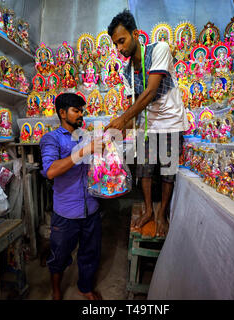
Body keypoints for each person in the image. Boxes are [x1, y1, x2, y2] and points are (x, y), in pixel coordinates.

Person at [106, 10, 188, 237]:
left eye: (122, 41)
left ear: (135, 34)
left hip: (170, 120)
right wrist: (120, 129)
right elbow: (135, 105)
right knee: (144, 168)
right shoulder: (127, 71)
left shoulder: (159, 49)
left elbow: (151, 90)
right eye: (115, 44)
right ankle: (149, 210)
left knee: (167, 170)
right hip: (148, 124)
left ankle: (162, 213)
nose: (119, 48)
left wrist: (122, 119)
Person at [39, 93, 103, 300]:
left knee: (89, 253)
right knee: (59, 255)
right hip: (66, 211)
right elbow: (50, 170)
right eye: (76, 111)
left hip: (91, 207)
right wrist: (85, 151)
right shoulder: (51, 139)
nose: (80, 115)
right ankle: (56, 290)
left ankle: (84, 287)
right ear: (62, 113)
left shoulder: (85, 136)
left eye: (81, 111)